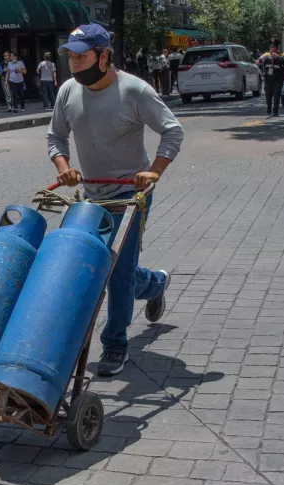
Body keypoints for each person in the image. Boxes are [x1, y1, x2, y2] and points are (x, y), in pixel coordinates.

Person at [47, 24, 183, 377]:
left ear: (104, 56)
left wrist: (154, 171)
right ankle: (155, 284)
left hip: (130, 194)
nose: (75, 64)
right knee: (94, 264)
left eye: (82, 56)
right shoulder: (67, 91)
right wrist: (63, 167)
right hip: (91, 194)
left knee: (117, 270)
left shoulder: (134, 90)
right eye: (71, 57)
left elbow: (172, 129)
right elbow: (56, 136)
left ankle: (115, 344)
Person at [256, 38, 284, 118]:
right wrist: (258, 61)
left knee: (277, 95)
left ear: (277, 48)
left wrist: (278, 58)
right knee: (268, 95)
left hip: (278, 79)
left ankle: (275, 111)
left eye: (274, 47)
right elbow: (259, 61)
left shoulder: (281, 54)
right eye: (271, 46)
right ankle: (269, 107)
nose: (272, 48)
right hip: (269, 79)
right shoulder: (266, 55)